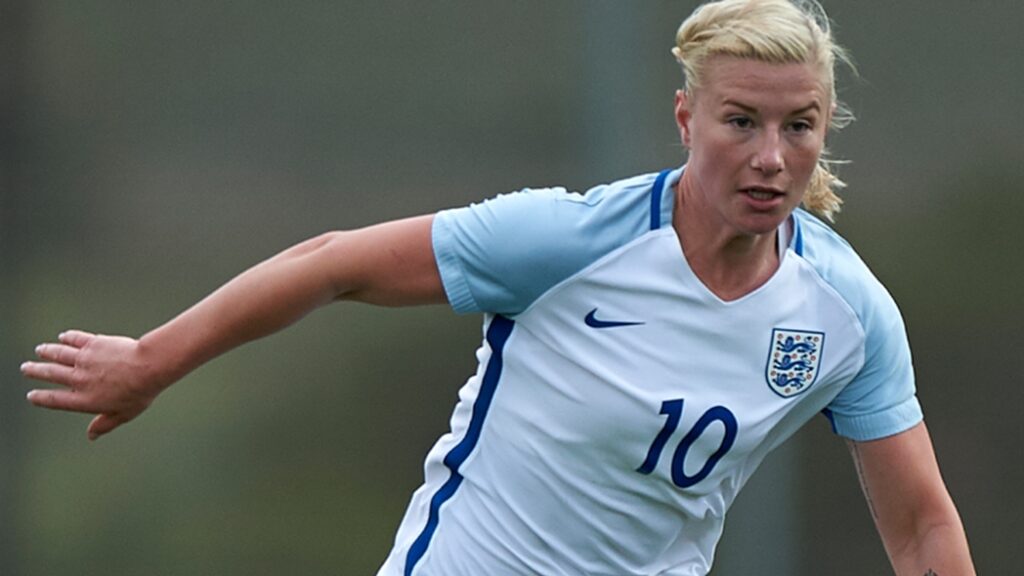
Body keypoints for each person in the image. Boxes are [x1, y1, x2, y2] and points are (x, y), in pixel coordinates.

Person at [20, 0, 975, 574]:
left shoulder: (845, 313)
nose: (772, 158)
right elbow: (335, 260)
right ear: (685, 118)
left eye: (800, 127)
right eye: (740, 122)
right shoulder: (566, 239)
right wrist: (151, 361)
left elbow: (924, 526)